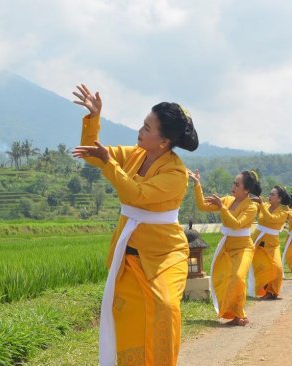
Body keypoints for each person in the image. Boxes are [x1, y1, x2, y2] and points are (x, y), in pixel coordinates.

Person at [72, 84, 198, 366]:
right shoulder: (136, 154)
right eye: (143, 124)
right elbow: (93, 154)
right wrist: (94, 118)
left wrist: (109, 164)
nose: (140, 130)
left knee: (165, 307)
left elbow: (136, 195)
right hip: (130, 255)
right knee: (128, 317)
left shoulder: (176, 173)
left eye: (147, 127)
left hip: (165, 255)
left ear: (163, 142)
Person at [189, 169, 260, 326]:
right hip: (226, 246)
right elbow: (202, 206)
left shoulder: (251, 207)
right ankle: (232, 314)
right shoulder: (227, 200)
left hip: (244, 248)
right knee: (223, 279)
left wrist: (222, 208)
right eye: (233, 183)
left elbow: (237, 224)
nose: (233, 186)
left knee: (238, 277)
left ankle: (240, 314)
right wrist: (197, 184)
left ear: (246, 189)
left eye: (237, 184)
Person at [248, 185, 291, 299]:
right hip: (257, 240)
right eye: (270, 193)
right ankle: (265, 290)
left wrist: (261, 204)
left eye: (272, 194)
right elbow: (252, 206)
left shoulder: (284, 211)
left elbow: (271, 219)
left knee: (277, 268)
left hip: (272, 243)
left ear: (279, 198)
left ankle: (273, 291)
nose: (269, 196)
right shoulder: (265, 205)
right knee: (260, 266)